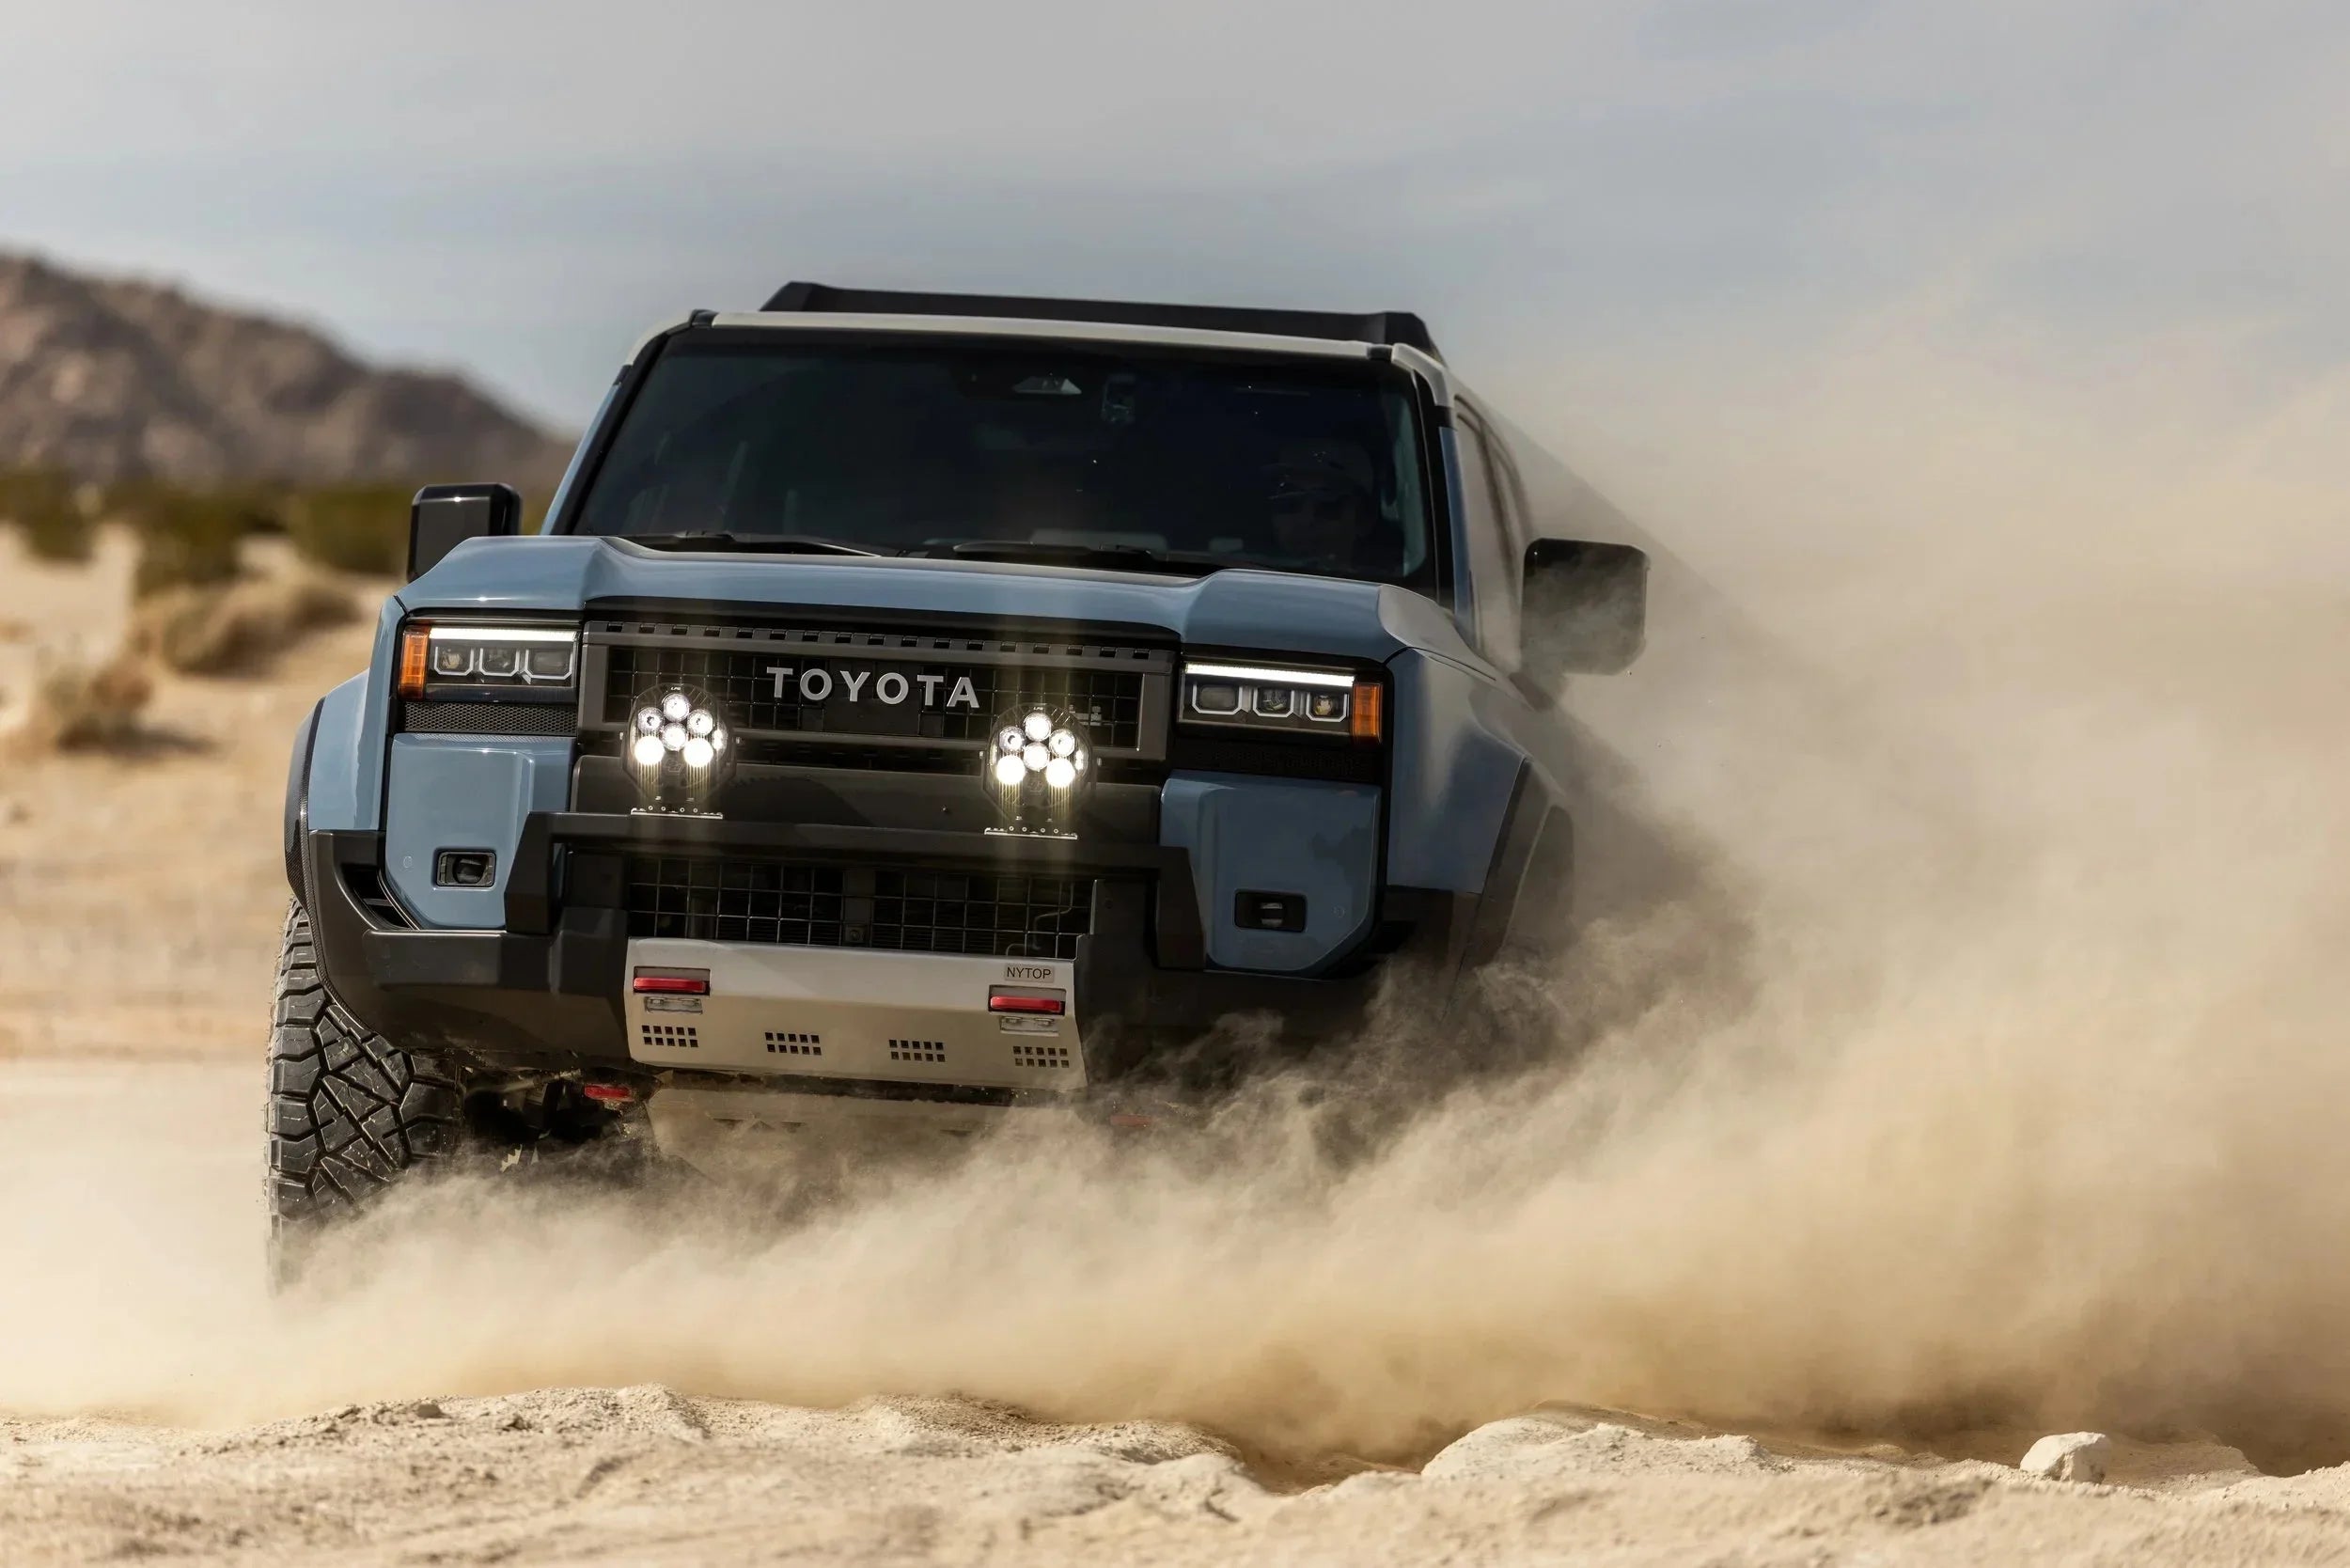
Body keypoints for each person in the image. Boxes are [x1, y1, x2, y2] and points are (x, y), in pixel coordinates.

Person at [1265, 442, 1402, 576]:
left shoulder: (1390, 593)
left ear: (1364, 518)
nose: (1306, 519)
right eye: (1290, 501)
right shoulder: (1247, 577)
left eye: (1328, 504)